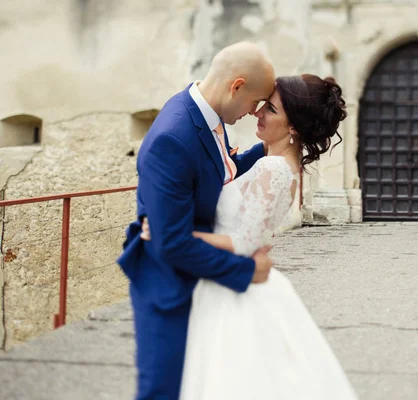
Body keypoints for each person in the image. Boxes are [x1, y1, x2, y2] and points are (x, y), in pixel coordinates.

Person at [143, 74, 357, 399]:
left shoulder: (274, 169)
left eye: (270, 109)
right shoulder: (271, 160)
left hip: (235, 293)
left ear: (294, 127)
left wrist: (172, 232)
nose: (257, 113)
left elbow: (244, 244)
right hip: (227, 282)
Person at [117, 42, 276, 400]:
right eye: (256, 103)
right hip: (168, 286)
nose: (255, 113)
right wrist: (247, 269)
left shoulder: (206, 112)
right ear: (236, 86)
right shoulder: (172, 138)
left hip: (200, 277)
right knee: (165, 389)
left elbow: (222, 170)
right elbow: (170, 242)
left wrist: (273, 147)